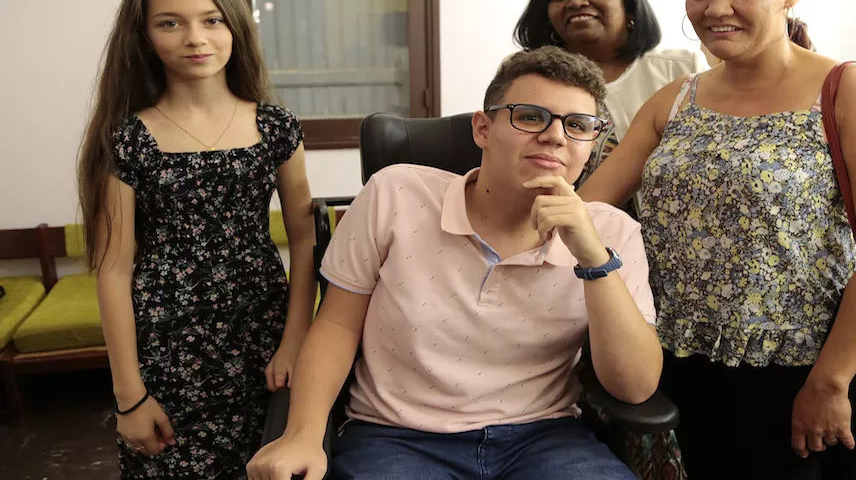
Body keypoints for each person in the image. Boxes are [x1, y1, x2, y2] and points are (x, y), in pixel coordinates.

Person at [578, 0, 856, 479]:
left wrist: (830, 382)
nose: (717, 9)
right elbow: (589, 210)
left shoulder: (852, 92)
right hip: (673, 359)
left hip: (799, 370)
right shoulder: (677, 99)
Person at [246, 46, 662, 480]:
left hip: (544, 437)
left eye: (577, 125)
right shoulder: (395, 195)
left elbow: (635, 387)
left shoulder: (612, 233)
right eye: (531, 116)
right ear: (483, 129)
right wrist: (303, 435)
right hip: (398, 436)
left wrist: (594, 259)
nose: (555, 136)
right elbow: (336, 326)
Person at [78, 0, 316, 479]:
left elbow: (304, 240)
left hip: (262, 333)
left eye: (212, 19)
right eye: (170, 22)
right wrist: (129, 396)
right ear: (144, 38)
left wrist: (295, 339)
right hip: (166, 345)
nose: (195, 38)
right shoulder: (128, 138)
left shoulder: (276, 126)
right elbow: (113, 270)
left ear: (236, 26)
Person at [515, 0, 708, 190]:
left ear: (627, 0)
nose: (576, 2)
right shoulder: (523, 73)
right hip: (542, 211)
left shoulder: (682, 69)